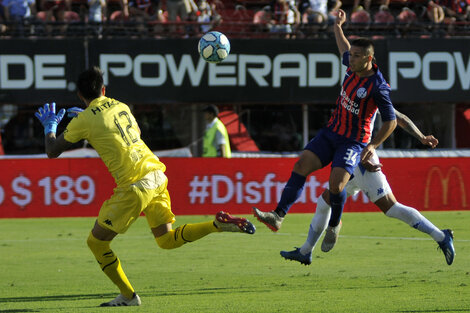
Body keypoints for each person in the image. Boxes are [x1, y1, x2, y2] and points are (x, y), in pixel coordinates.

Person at [34, 66, 255, 307]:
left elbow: (51, 151)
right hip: (157, 174)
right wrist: (89, 122)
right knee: (166, 239)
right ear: (104, 89)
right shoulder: (120, 105)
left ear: (79, 95)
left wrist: (50, 128)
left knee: (96, 242)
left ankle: (128, 297)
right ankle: (216, 225)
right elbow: (136, 131)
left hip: (134, 185)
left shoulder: (84, 120)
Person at [253, 9, 397, 235]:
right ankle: (278, 215)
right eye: (351, 55)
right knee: (301, 166)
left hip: (353, 142)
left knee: (336, 186)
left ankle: (334, 225)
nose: (351, 57)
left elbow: (391, 122)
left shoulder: (378, 87)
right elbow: (343, 48)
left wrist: (372, 146)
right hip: (332, 132)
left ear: (368, 59)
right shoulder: (352, 65)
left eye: (356, 55)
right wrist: (337, 27)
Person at [279, 109, 456, 266]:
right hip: (352, 160)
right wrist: (422, 137)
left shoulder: (369, 91)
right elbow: (400, 118)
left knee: (391, 208)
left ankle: (441, 236)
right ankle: (305, 251)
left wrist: (421, 137)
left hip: (361, 160)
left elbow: (397, 119)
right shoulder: (355, 91)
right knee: (325, 202)